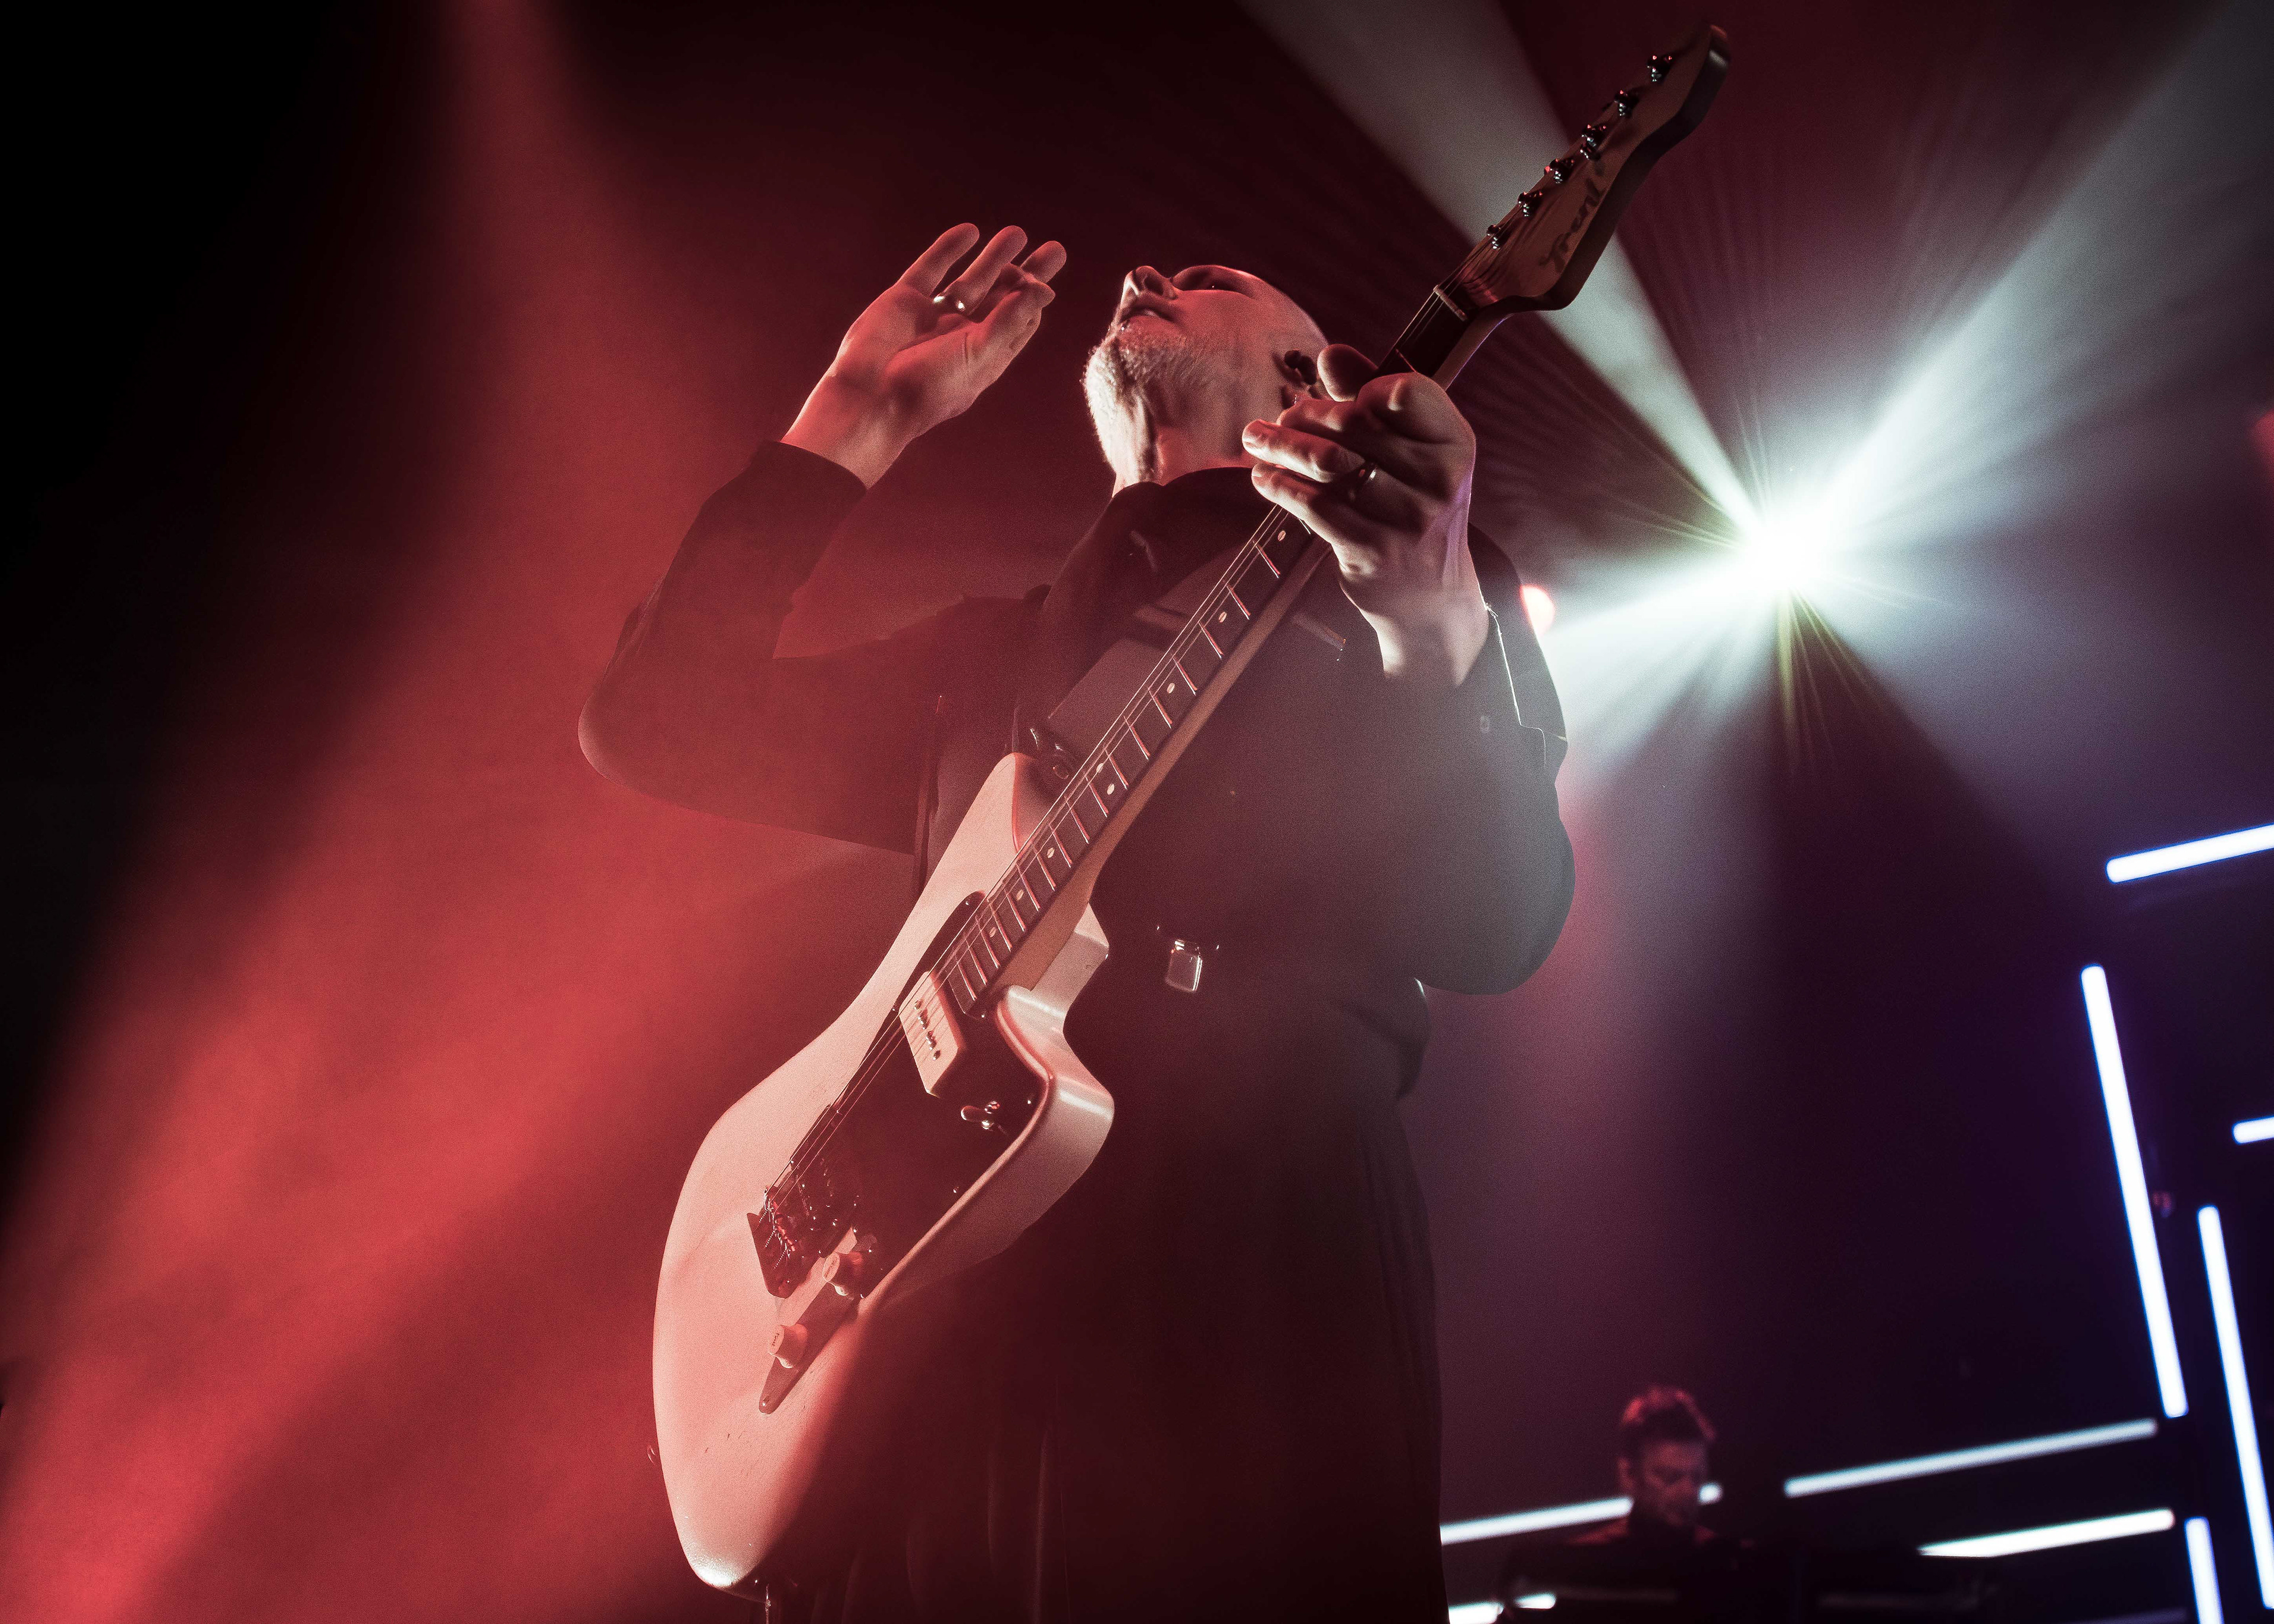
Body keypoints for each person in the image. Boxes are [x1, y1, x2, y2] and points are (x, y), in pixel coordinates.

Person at [582, 223, 1574, 1623]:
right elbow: (655, 719)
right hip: (941, 1303)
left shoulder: (1413, 579)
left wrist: (1430, 618)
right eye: (1153, 277)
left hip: (1250, 1281)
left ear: (1312, 378)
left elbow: (1499, 923)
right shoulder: (985, 653)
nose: (1142, 279)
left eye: (1214, 279)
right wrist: (850, 422)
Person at [1573, 1387, 1723, 1551]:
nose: (1689, 1491)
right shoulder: (1583, 1560)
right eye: (1670, 1477)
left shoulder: (1725, 1559)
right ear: (1628, 1474)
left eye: (1697, 1477)